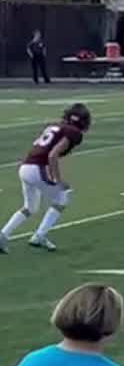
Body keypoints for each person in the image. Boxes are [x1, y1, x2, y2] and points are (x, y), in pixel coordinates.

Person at [3, 103, 91, 254]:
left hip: (25, 167)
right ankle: (39, 236)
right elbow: (52, 155)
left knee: (30, 207)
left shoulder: (57, 126)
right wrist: (57, 179)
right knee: (62, 198)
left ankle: (3, 235)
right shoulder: (73, 132)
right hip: (37, 168)